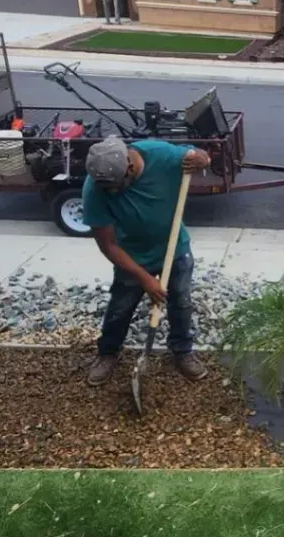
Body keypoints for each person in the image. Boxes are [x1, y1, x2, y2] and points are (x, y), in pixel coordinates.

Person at [81, 135, 211, 386]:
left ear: (129, 166)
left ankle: (182, 350)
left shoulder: (161, 156)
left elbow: (199, 155)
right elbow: (108, 246)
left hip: (174, 249)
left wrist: (202, 160)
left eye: (116, 187)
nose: (110, 192)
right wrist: (145, 278)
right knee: (120, 307)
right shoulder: (95, 188)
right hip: (132, 254)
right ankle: (108, 352)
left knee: (180, 302)